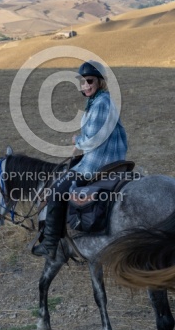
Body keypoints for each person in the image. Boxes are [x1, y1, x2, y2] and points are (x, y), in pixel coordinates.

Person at [32, 60, 128, 259]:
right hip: (104, 156)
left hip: (99, 160)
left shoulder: (101, 103)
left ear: (100, 81)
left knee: (57, 190)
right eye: (82, 82)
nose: (85, 85)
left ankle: (50, 243)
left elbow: (93, 139)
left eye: (89, 81)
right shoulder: (98, 101)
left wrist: (78, 140)